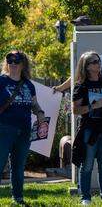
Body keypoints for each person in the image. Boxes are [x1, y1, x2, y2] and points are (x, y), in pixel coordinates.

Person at [71, 51, 102, 206]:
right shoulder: (81, 86)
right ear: (86, 66)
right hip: (89, 129)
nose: (97, 64)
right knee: (88, 164)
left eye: (98, 61)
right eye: (93, 61)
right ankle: (85, 197)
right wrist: (94, 105)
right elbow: (76, 110)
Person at [0, 50, 47, 205]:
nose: (12, 63)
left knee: (18, 167)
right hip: (4, 129)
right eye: (10, 60)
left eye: (16, 60)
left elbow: (34, 103)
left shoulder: (28, 84)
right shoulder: (1, 81)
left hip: (24, 130)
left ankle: (18, 198)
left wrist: (40, 113)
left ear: (23, 64)